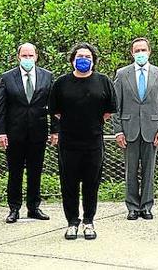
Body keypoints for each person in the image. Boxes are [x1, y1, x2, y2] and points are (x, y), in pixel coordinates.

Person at [49, 42, 117, 240]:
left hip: (94, 142)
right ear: (72, 60)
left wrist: (92, 123)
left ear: (94, 61)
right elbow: (55, 111)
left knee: (91, 183)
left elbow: (109, 110)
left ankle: (89, 221)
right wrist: (73, 123)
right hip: (68, 142)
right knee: (68, 184)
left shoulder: (103, 81)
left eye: (88, 57)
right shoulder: (61, 83)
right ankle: (72, 222)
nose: (84, 59)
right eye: (80, 56)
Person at [112, 37, 158, 220]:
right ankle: (132, 206)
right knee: (130, 170)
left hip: (152, 130)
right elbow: (116, 106)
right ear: (132, 53)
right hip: (129, 130)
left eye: (143, 50)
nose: (140, 54)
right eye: (137, 51)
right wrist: (118, 130)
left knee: (149, 170)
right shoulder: (122, 74)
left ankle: (146, 205)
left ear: (149, 51)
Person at [0, 43, 53, 223]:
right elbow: (0, 108)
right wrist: (0, 132)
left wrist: (55, 130)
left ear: (36, 56)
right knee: (15, 171)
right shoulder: (7, 78)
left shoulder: (47, 76)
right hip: (14, 133)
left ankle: (34, 207)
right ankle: (14, 208)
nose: (27, 59)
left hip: (38, 131)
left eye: (31, 55)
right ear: (18, 57)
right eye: (24, 56)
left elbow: (54, 105)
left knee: (35, 171)